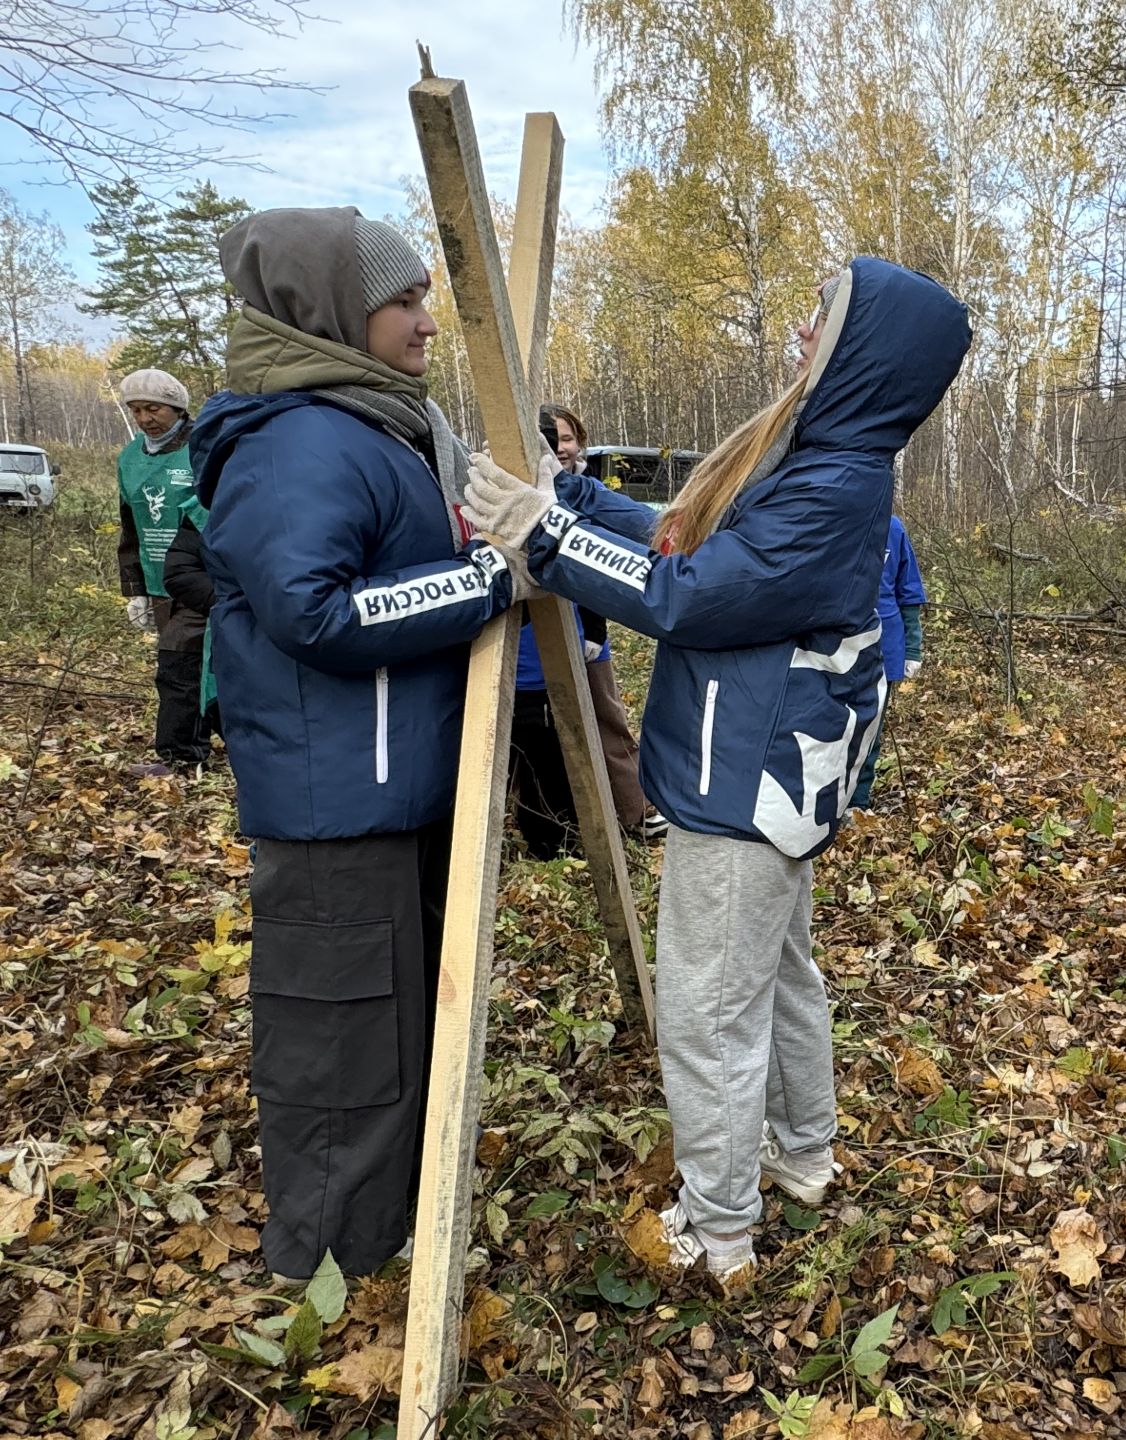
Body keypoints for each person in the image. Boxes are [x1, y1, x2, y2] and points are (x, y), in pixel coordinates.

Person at [459, 258, 971, 1281]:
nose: (798, 333)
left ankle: (720, 1231)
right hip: (763, 777)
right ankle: (802, 1156)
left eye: (820, 320)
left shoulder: (834, 483)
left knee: (706, 1012)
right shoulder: (814, 456)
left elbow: (687, 593)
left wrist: (546, 536)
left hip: (744, 787)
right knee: (777, 982)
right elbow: (679, 535)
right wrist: (574, 501)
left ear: (862, 352)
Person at [190, 207, 527, 1281]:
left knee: (396, 1040)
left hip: (396, 792)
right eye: (407, 299)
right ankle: (325, 1282)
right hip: (336, 808)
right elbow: (314, 612)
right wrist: (483, 583)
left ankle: (386, 1247)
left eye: (429, 295)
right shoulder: (294, 441)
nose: (427, 321)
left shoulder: (376, 425)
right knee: (343, 1052)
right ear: (333, 310)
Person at [504, 404, 654, 856]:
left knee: (607, 725)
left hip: (586, 639)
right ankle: (550, 831)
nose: (561, 447)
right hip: (531, 647)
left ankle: (633, 813)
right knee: (538, 742)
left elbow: (620, 553)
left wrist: (594, 631)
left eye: (567, 438)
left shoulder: (590, 492)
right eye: (551, 440)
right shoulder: (515, 496)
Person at [116, 369, 207, 774]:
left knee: (177, 662)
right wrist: (134, 587)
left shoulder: (203, 446)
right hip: (159, 580)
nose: (144, 418)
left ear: (177, 407)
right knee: (196, 666)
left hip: (200, 575)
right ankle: (204, 741)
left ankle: (178, 754)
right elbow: (129, 524)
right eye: (135, 410)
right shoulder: (131, 457)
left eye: (153, 408)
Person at [850, 511, 925, 810]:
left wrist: (913, 648)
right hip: (837, 644)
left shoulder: (893, 528)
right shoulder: (837, 519)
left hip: (885, 647)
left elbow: (908, 591)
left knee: (871, 729)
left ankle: (858, 801)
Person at [161, 501, 221, 750]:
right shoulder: (202, 509)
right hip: (218, 602)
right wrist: (233, 602)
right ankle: (180, 752)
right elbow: (179, 571)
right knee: (176, 647)